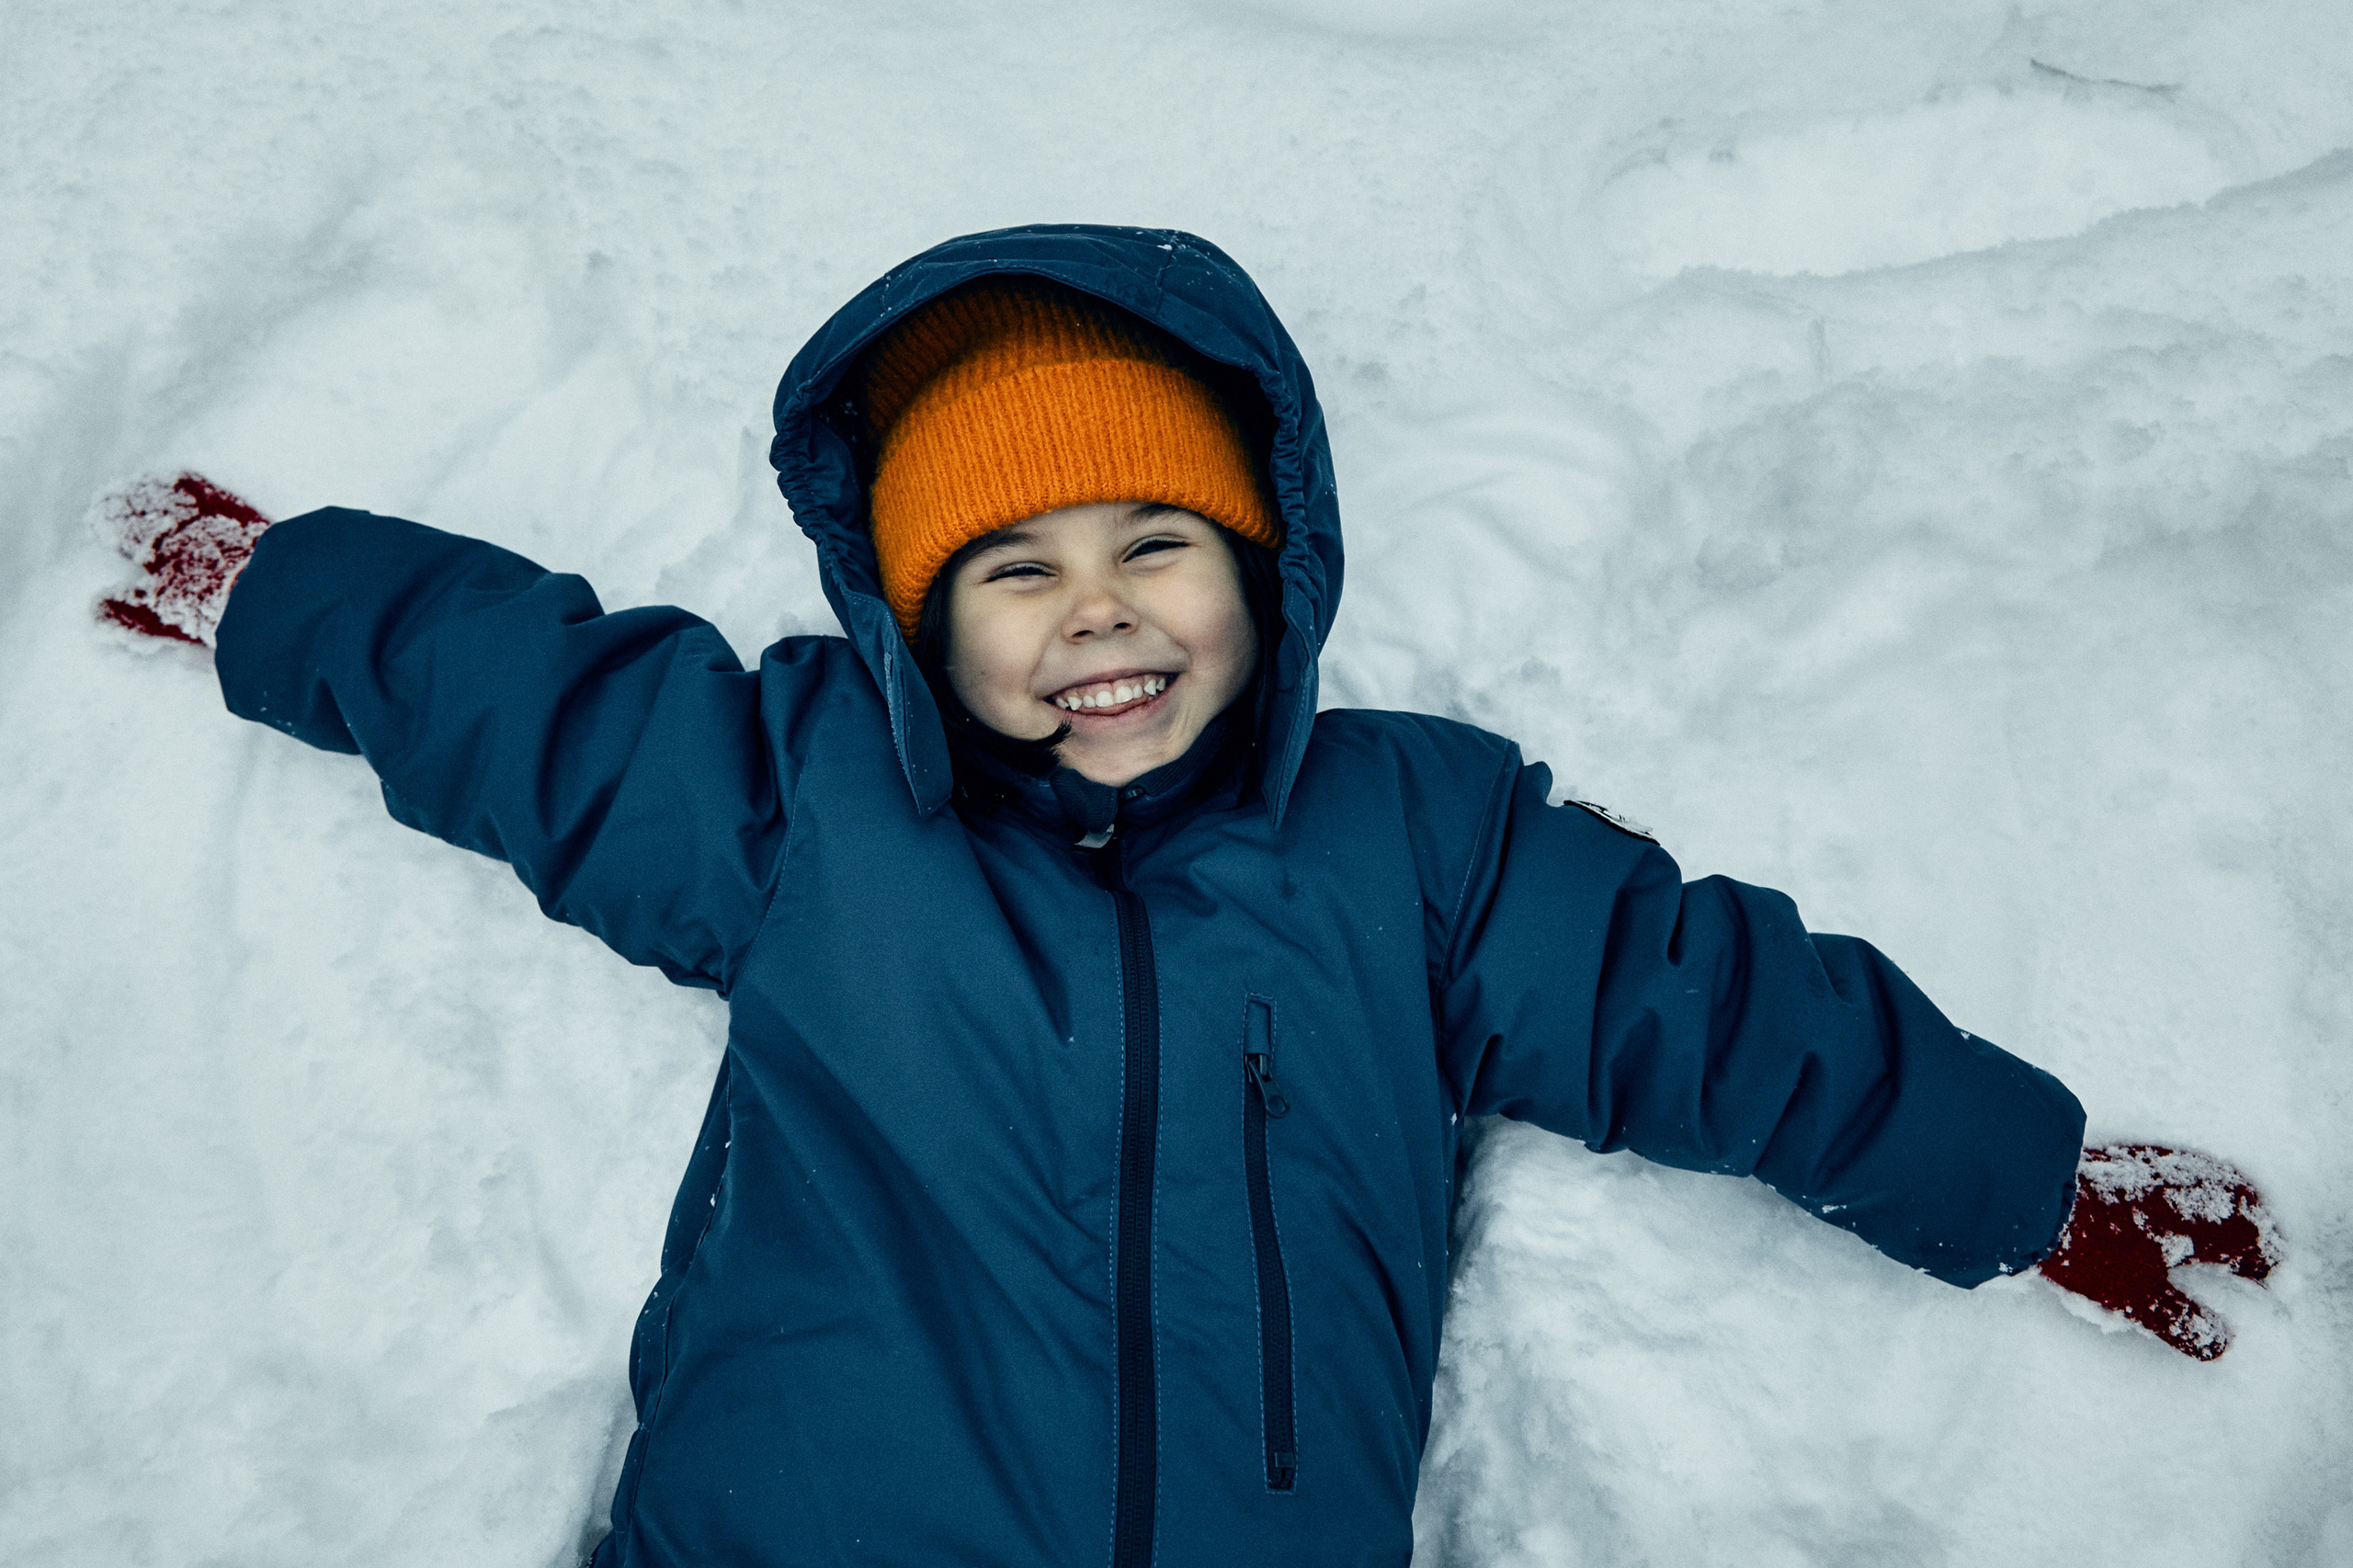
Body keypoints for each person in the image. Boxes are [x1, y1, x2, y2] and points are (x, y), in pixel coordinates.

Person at [97, 224, 2279, 1568]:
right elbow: (530, 708)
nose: (1095, 618)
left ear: (1262, 565)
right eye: (1011, 575)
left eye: (1156, 542)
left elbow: (1695, 1000)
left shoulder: (1410, 840)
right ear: (913, 626)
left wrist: (2025, 1172)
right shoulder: (810, 800)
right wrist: (274, 590)